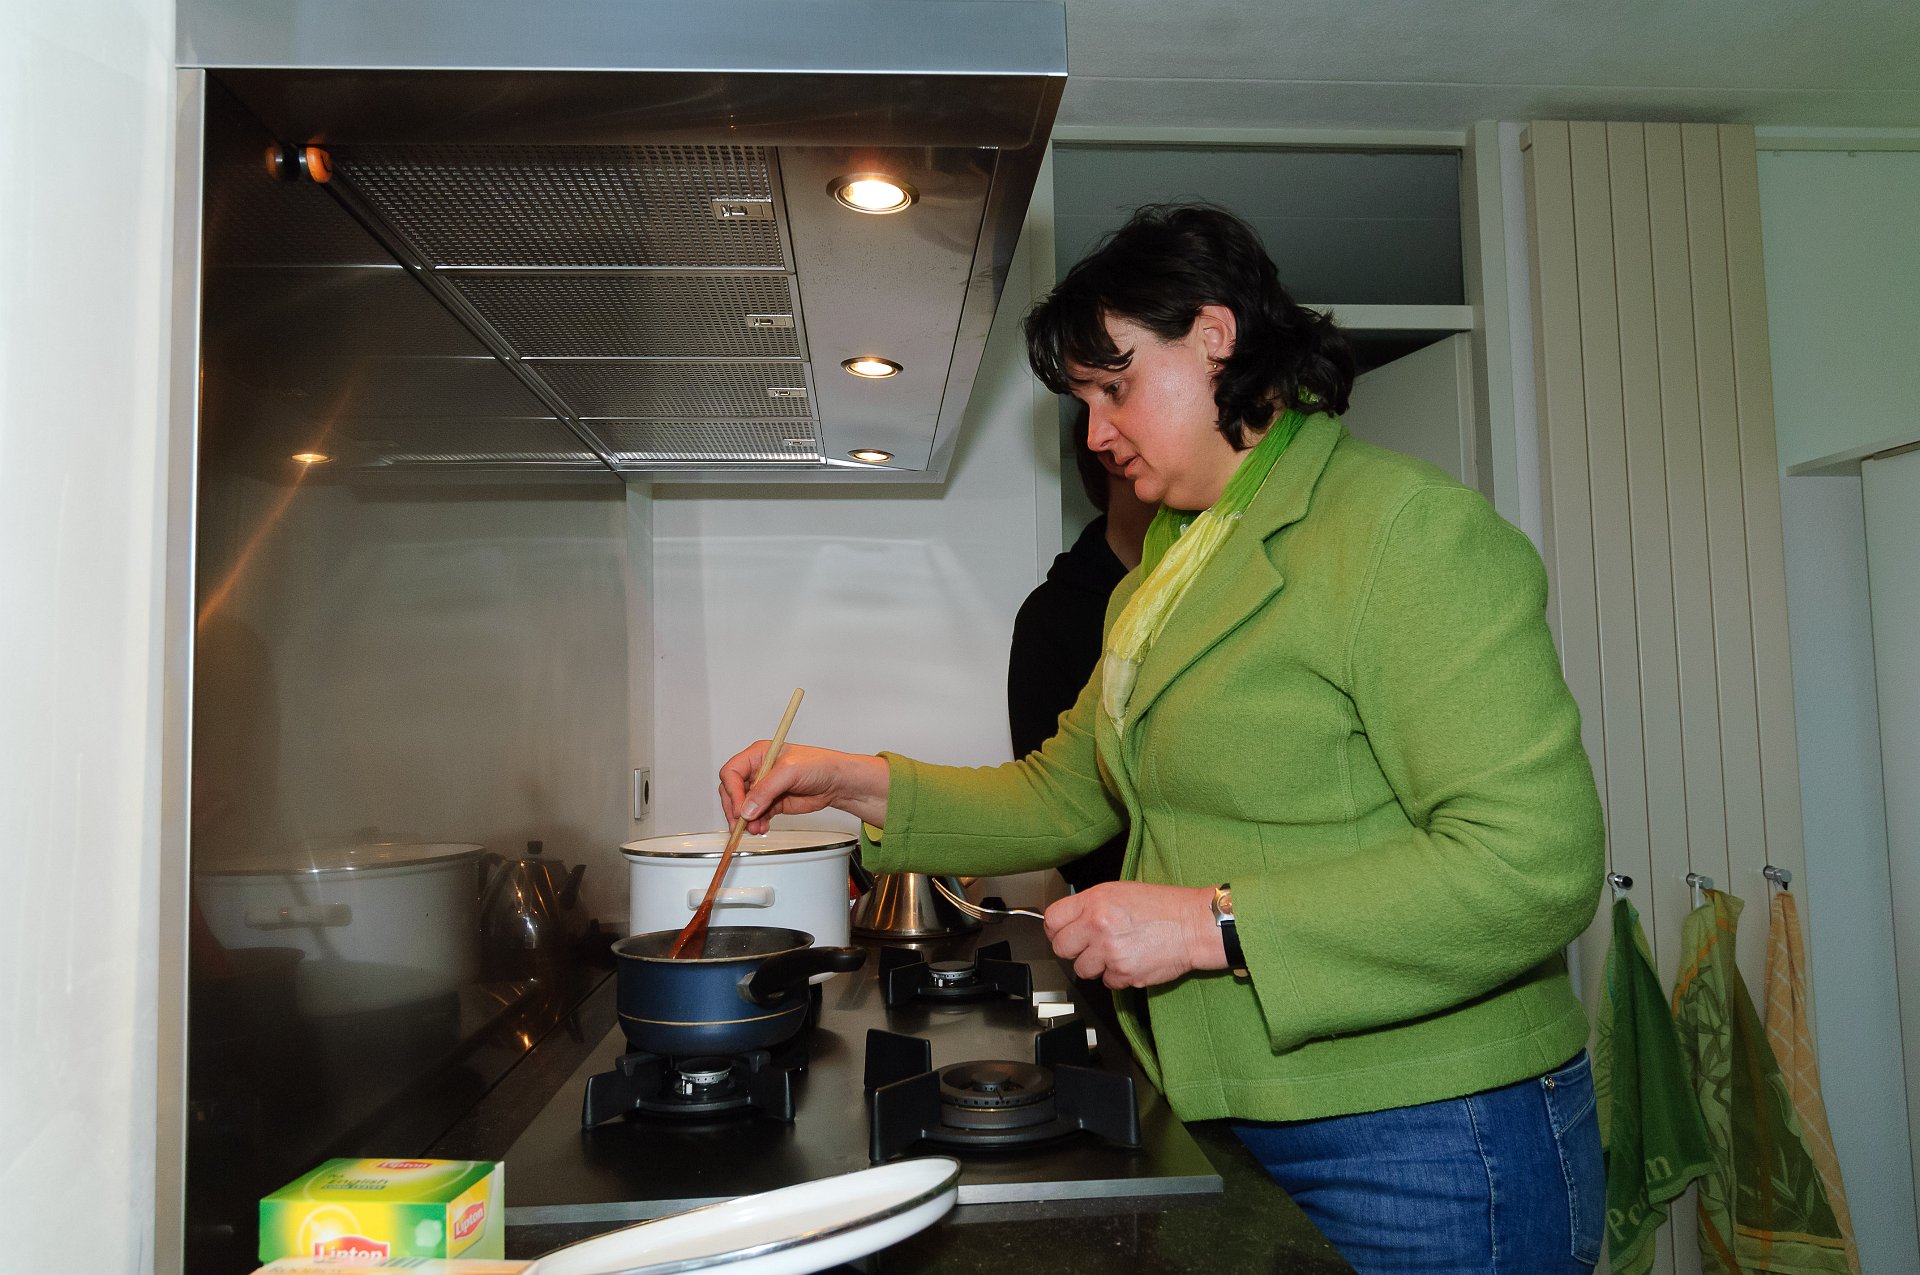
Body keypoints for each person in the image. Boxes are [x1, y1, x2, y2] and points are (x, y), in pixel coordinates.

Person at [718, 204, 1606, 1274]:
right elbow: (1063, 792)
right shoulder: (1168, 569)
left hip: (1434, 1137)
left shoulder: (1403, 532)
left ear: (1215, 336)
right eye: (1083, 403)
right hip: (1237, 1109)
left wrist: (1204, 924)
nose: (1096, 434)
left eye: (1116, 386)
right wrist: (843, 780)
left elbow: (1534, 862)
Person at [1006, 400, 1153, 891]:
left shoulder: (1217, 589)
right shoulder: (1052, 616)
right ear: (1111, 456)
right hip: (1120, 916)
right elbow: (1053, 802)